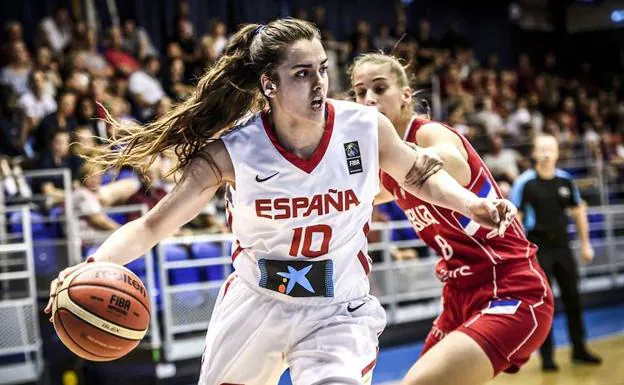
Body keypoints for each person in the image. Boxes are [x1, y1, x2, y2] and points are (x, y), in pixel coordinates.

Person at [45, 19, 513, 385]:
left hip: (338, 307)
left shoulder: (364, 128)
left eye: (323, 69)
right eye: (302, 73)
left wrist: (472, 204)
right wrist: (88, 265)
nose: (319, 83)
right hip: (256, 303)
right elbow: (151, 226)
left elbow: (417, 173)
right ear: (269, 84)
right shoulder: (233, 152)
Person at [350, 53, 554, 385]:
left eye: (379, 87)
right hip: (458, 297)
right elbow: (348, 196)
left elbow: (453, 160)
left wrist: (419, 157)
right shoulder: (387, 166)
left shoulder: (428, 134)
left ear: (405, 96)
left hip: (512, 289)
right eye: (360, 92)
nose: (368, 99)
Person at [510, 134, 602, 372]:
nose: (547, 153)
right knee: (544, 304)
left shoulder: (566, 181)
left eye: (551, 149)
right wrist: (520, 254)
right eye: (542, 149)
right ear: (534, 153)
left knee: (573, 298)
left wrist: (585, 244)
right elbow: (515, 219)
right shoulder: (525, 182)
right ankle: (547, 356)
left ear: (558, 152)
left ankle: (579, 349)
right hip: (538, 251)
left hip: (563, 248)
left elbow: (578, 212)